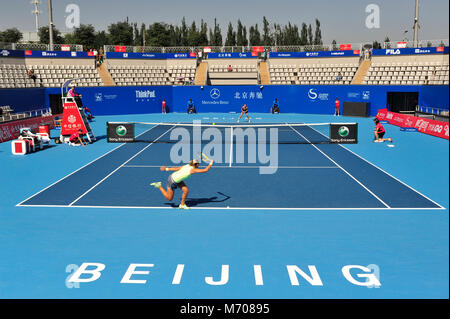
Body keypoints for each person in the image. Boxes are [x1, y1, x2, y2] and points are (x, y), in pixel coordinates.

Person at [150, 159, 214, 209]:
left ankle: (182, 205)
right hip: (172, 181)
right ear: (196, 164)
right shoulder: (192, 170)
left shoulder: (187, 165)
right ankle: (159, 186)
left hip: (177, 179)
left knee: (186, 190)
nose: (199, 165)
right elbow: (206, 170)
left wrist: (167, 169)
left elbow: (178, 168)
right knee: (169, 198)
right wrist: (211, 163)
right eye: (198, 164)